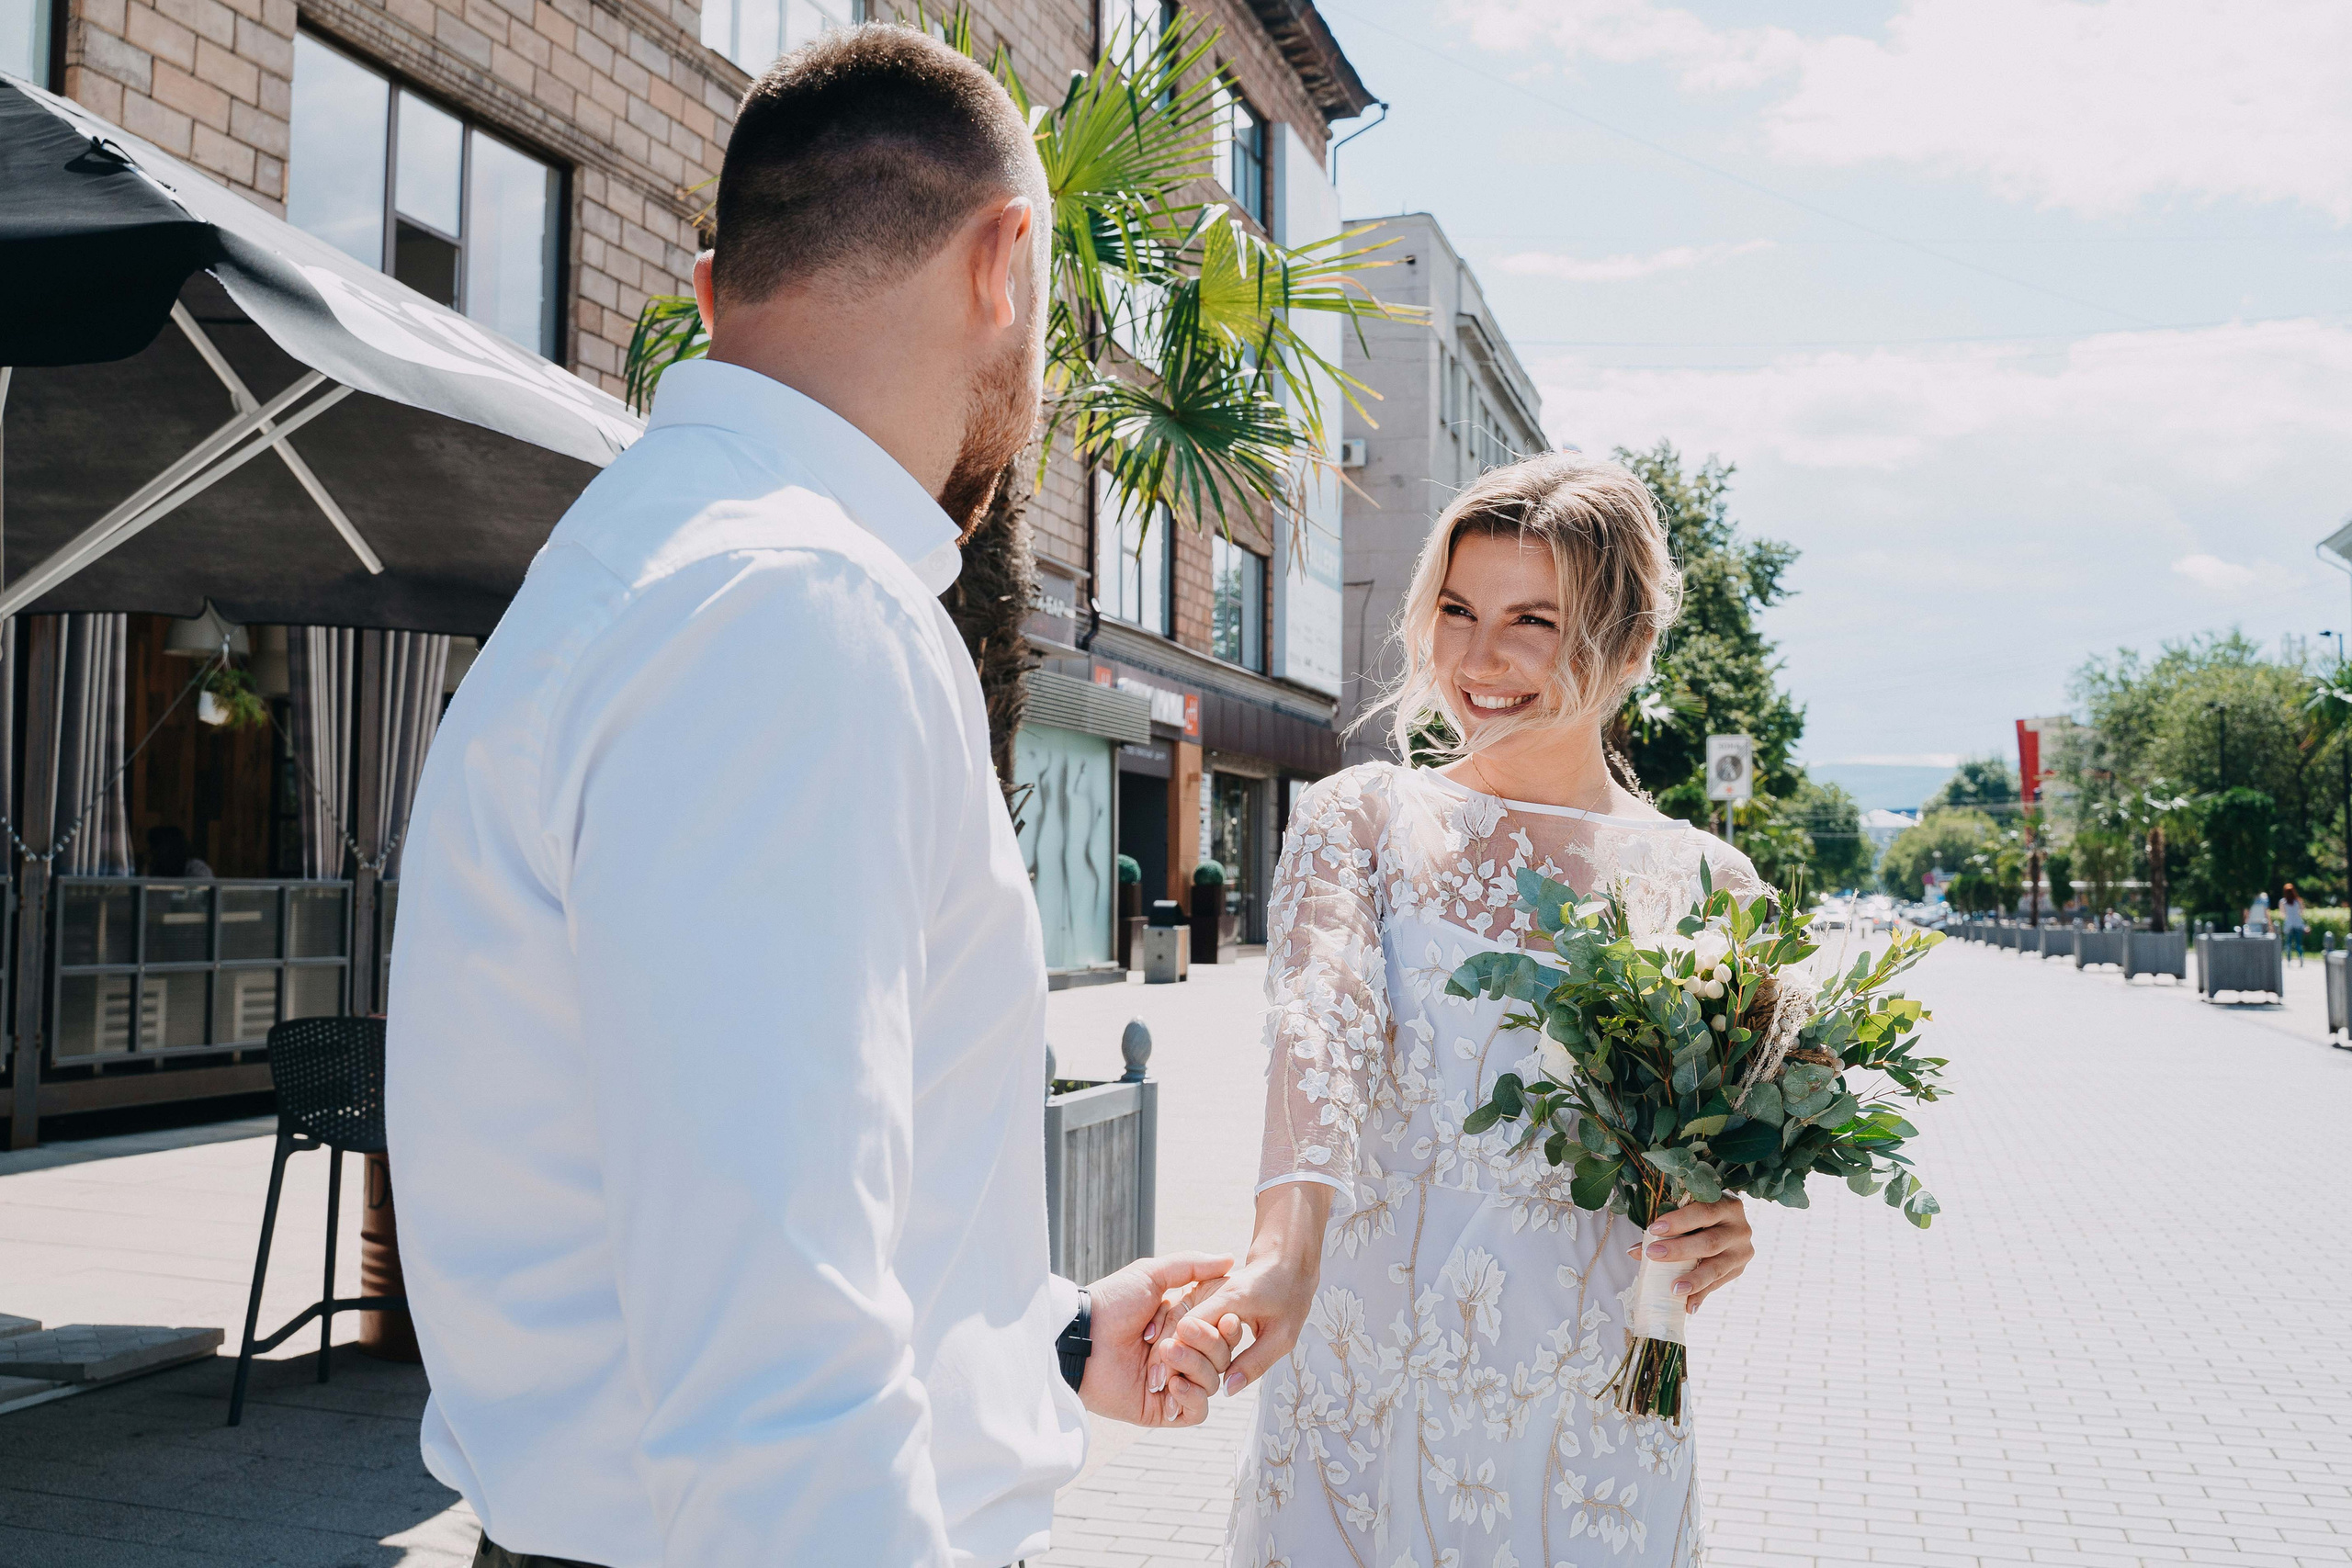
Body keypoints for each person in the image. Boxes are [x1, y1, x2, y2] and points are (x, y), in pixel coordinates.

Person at [384, 28, 1232, 1568]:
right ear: (1006, 263)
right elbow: (772, 1371)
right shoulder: (787, 608)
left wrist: (1034, 1339)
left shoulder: (654, 569)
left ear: (714, 299)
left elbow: (737, 1198)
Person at [1154, 454, 1763, 1564]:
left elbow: (1691, 1161)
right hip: (1364, 1378)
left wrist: (1718, 1225)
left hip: (1600, 1412)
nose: (1476, 660)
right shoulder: (1369, 819)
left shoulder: (1710, 883)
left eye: (1532, 619)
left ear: (1627, 646)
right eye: (1454, 609)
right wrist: (1280, 1255)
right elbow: (1318, 1033)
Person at [146, 824, 212, 878]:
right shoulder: (155, 868)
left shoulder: (196, 868)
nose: (150, 851)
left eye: (154, 848)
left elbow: (207, 891)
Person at [2279, 882, 2306, 964]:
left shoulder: (2283, 902)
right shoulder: (2298, 901)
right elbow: (2302, 912)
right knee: (2298, 943)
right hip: (2298, 923)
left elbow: (2282, 914)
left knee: (2289, 943)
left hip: (2289, 924)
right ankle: (2300, 957)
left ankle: (2289, 959)